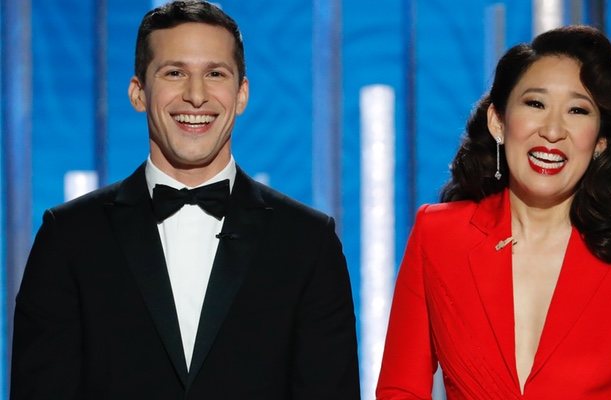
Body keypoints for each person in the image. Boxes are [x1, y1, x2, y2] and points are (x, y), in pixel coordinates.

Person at [11, 1, 360, 398]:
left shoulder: (307, 241)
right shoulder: (70, 237)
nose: (196, 95)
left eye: (215, 73)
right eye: (174, 73)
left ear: (242, 94)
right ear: (138, 92)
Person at [376, 25, 611, 399]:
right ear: (498, 121)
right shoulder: (438, 234)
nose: (552, 130)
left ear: (600, 141)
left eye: (577, 110)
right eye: (536, 104)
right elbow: (400, 390)